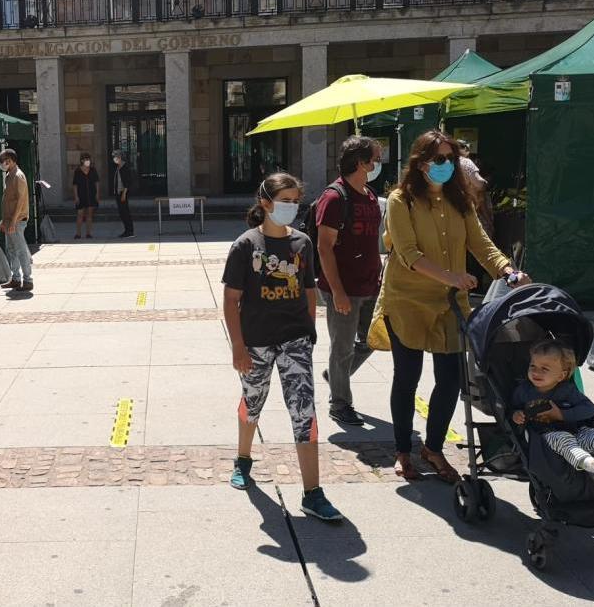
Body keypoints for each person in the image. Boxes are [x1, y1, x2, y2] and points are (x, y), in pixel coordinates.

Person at [368, 130, 529, 483]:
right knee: (407, 377)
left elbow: (482, 245)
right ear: (421, 162)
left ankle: (433, 447)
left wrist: (509, 271)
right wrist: (451, 276)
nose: (446, 166)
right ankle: (402, 450)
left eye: (451, 160)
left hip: (449, 304)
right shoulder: (400, 199)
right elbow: (409, 254)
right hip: (407, 299)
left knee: (450, 378)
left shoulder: (460, 202)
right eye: (439, 160)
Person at [223, 171, 344, 522]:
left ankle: (313, 493)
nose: (291, 207)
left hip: (294, 342)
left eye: (295, 201)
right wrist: (238, 347)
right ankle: (243, 459)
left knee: (304, 412)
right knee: (253, 402)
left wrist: (308, 332)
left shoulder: (302, 243)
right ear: (265, 203)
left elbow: (309, 292)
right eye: (284, 200)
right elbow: (232, 300)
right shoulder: (245, 245)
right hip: (256, 342)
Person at [512, 339, 594, 492]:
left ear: (561, 376)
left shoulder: (567, 391)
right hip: (545, 437)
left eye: (545, 368)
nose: (536, 372)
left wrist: (561, 414)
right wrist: (516, 415)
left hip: (577, 431)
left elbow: (590, 409)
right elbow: (511, 410)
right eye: (533, 366)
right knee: (563, 439)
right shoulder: (523, 392)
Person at [315, 136, 383, 426]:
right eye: (375, 158)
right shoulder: (334, 197)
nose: (379, 162)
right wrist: (338, 292)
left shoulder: (368, 194)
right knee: (342, 348)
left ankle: (336, 376)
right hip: (343, 288)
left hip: (370, 284)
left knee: (372, 340)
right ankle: (340, 403)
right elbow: (324, 247)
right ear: (361, 163)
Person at [0, 148, 33, 292]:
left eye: (4, 160)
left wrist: (12, 221)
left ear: (11, 161)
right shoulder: (9, 175)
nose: (2, 163)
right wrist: (4, 220)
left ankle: (28, 280)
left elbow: (20, 200)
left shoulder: (18, 176)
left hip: (17, 220)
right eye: (1, 160)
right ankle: (16, 278)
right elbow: (8, 200)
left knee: (20, 250)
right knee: (11, 249)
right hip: (10, 220)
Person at [72, 153, 99, 239]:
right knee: (80, 214)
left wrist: (97, 194)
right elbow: (75, 185)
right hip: (81, 195)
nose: (88, 161)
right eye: (86, 159)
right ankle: (78, 233)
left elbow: (97, 182)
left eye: (89, 159)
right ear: (82, 161)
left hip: (91, 194)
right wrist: (76, 196)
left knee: (89, 215)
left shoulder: (93, 170)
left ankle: (88, 233)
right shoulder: (78, 171)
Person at [112, 150, 135, 239]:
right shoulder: (118, 167)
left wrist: (124, 194)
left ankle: (129, 231)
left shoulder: (124, 167)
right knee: (122, 213)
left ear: (120, 157)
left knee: (125, 212)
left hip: (122, 193)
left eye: (115, 156)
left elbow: (127, 182)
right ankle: (127, 230)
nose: (114, 158)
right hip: (118, 192)